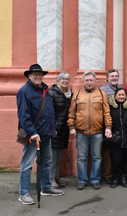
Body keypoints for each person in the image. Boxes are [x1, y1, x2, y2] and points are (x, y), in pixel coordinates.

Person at [17, 64, 64, 204]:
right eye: (35, 74)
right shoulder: (24, 91)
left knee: (46, 161)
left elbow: (49, 111)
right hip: (34, 135)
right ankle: (24, 193)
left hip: (46, 133)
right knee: (27, 165)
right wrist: (32, 133)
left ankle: (46, 187)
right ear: (29, 76)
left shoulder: (45, 90)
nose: (38, 76)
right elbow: (23, 116)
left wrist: (52, 129)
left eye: (40, 74)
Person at [68, 70, 112, 190]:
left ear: (94, 81)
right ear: (83, 81)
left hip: (97, 132)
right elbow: (71, 113)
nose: (89, 82)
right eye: (87, 80)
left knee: (97, 157)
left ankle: (95, 179)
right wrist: (71, 127)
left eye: (91, 80)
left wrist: (108, 127)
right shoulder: (77, 94)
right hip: (81, 132)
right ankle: (82, 180)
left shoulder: (101, 94)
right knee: (81, 158)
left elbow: (106, 113)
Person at [108, 88, 127, 188]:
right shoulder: (111, 106)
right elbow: (107, 120)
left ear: (126, 96)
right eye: (119, 95)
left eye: (123, 95)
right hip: (115, 139)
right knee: (116, 159)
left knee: (125, 160)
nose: (121, 97)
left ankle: (123, 177)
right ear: (115, 95)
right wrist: (110, 134)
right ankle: (115, 177)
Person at [48, 72, 73, 189]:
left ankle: (56, 177)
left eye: (67, 79)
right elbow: (49, 113)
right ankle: (50, 179)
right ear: (58, 80)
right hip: (54, 129)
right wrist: (53, 127)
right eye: (62, 78)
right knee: (52, 156)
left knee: (59, 155)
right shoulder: (52, 93)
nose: (65, 81)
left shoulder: (70, 94)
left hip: (64, 129)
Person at [100, 69, 123, 184]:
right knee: (106, 152)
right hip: (106, 124)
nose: (114, 78)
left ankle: (117, 174)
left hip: (118, 125)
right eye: (112, 76)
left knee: (117, 151)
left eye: (116, 76)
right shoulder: (102, 90)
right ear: (107, 78)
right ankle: (107, 175)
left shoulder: (121, 88)